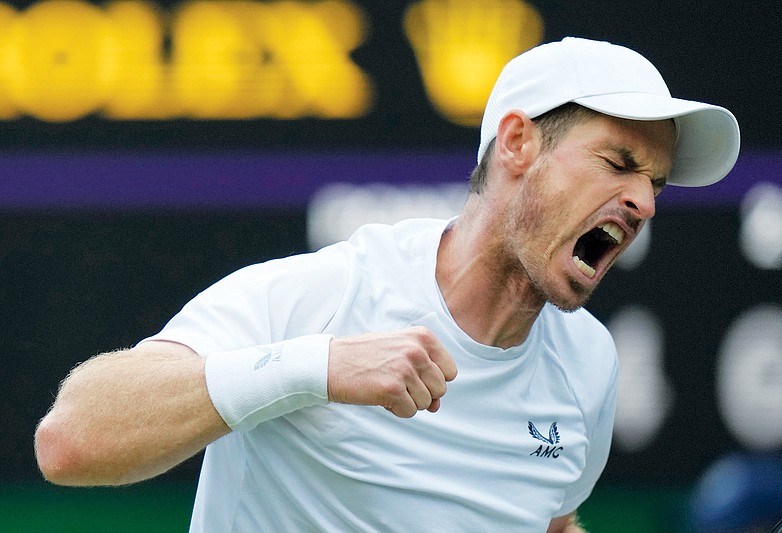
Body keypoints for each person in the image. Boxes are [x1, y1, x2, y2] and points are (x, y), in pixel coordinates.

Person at [34, 37, 740, 532]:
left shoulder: (588, 365)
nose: (644, 203)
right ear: (519, 143)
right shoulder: (327, 293)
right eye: (618, 162)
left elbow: (543, 516)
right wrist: (318, 367)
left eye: (654, 183)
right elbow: (71, 439)